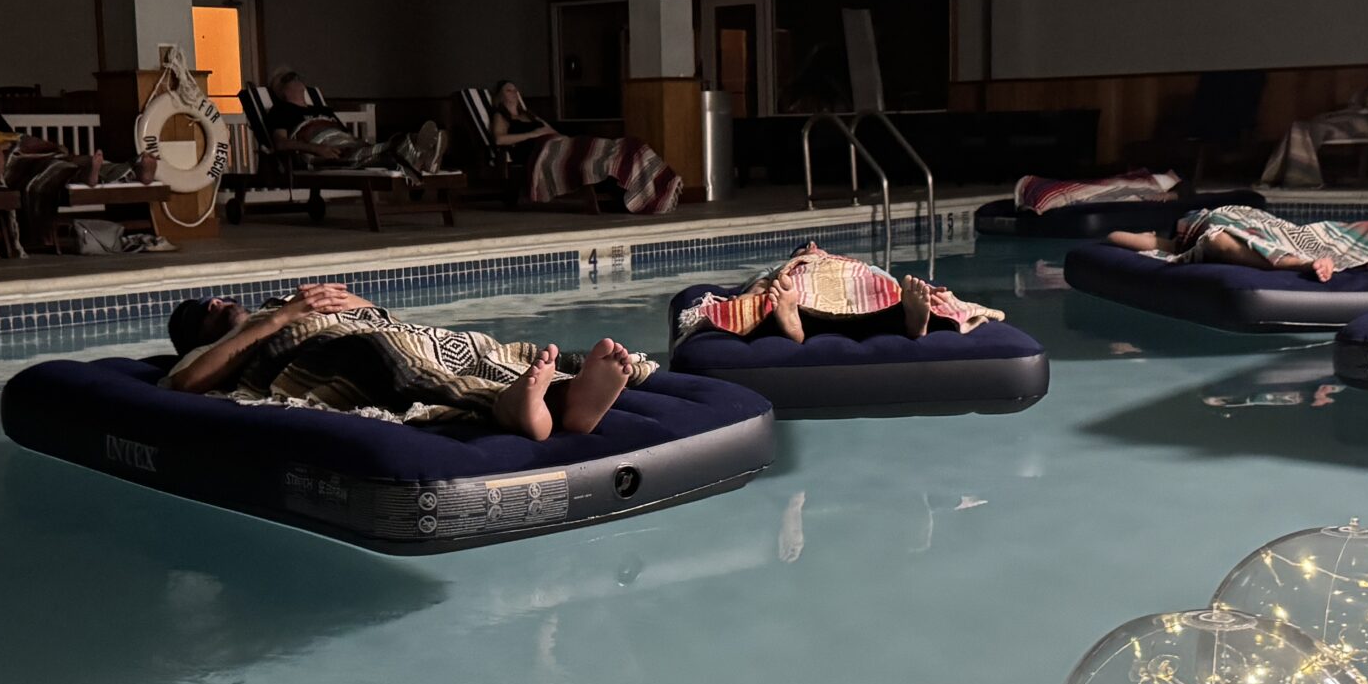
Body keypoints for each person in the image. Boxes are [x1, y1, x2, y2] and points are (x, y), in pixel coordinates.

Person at [163, 285, 649, 440]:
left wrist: (357, 305)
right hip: (322, 352)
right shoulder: (229, 343)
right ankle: (527, 404)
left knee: (465, 344)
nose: (213, 304)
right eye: (200, 314)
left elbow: (383, 319)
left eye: (214, 298)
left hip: (381, 330)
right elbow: (185, 386)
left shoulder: (284, 299)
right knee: (383, 360)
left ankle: (564, 386)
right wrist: (282, 318)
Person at [677, 243, 1003, 344]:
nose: (813, 248)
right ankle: (911, 323)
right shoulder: (796, 262)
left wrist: (753, 293)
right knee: (881, 285)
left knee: (769, 289)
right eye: (808, 248)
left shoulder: (788, 267)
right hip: (823, 279)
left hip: (829, 282)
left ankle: (793, 324)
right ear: (804, 251)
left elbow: (760, 284)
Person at [488, 80, 683, 215]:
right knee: (598, 155)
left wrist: (561, 139)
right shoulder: (502, 117)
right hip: (539, 151)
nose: (513, 93)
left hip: (559, 143)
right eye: (508, 90)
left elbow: (552, 131)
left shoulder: (529, 115)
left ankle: (653, 182)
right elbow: (499, 140)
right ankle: (637, 190)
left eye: (515, 90)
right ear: (500, 96)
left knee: (622, 146)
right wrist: (533, 135)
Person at [1105, 203, 1368, 282]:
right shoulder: (1182, 238)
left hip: (1243, 221)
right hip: (1245, 221)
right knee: (1220, 241)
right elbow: (1118, 238)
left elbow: (1115, 237)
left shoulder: (1175, 240)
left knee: (1221, 242)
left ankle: (1305, 261)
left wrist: (1162, 243)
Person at [263, 71, 444, 175]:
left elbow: (344, 135)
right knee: (366, 153)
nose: (295, 77)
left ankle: (418, 154)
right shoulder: (281, 111)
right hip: (321, 149)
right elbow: (281, 143)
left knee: (365, 150)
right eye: (288, 78)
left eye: (296, 75)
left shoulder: (323, 110)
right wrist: (316, 149)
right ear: (281, 91)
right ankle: (418, 152)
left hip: (344, 143)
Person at [1259, 84, 1368, 188]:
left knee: (1313, 129)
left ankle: (1293, 176)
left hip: (1353, 127)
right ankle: (1283, 175)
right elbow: (1338, 116)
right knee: (1297, 127)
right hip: (1338, 122)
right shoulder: (1354, 108)